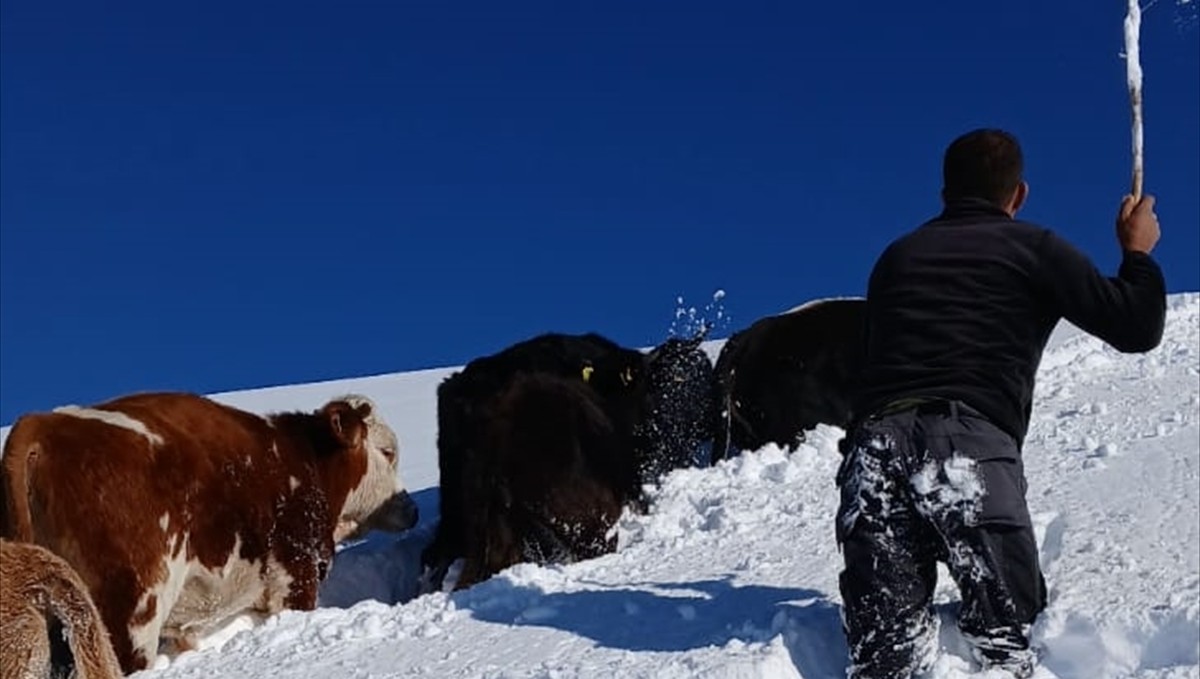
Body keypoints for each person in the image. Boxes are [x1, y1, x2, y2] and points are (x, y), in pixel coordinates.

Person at [835, 128, 1166, 679]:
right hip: (968, 447)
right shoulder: (1032, 248)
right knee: (1006, 644)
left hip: (874, 453)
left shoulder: (897, 258)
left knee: (885, 659)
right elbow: (1135, 326)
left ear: (945, 193)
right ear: (1018, 195)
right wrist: (1136, 254)